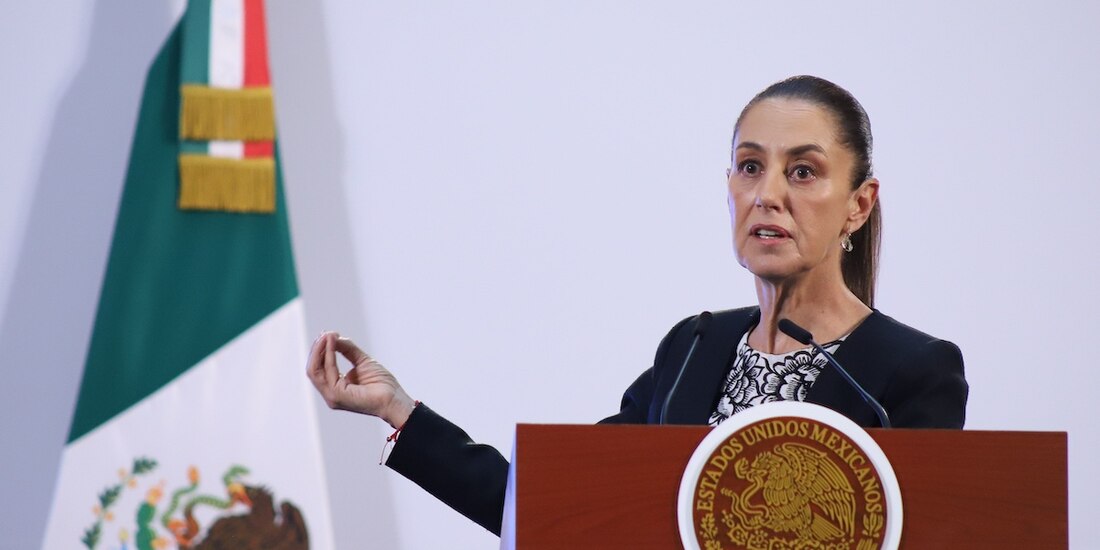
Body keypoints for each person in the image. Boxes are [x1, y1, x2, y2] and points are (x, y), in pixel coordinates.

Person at [306, 75, 969, 536]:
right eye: (749, 167)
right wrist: (399, 410)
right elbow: (555, 507)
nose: (768, 195)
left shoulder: (909, 371)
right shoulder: (694, 348)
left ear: (859, 202)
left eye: (802, 171)